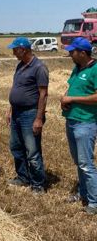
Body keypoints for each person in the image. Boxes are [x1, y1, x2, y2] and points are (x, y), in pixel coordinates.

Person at [6, 37, 48, 195]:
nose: (13, 52)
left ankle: (38, 184)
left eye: (15, 49)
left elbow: (43, 95)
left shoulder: (39, 67)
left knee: (32, 150)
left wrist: (39, 118)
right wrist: (10, 109)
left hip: (30, 114)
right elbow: (16, 88)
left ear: (23, 49)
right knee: (16, 146)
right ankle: (23, 177)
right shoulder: (20, 65)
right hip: (16, 112)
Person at [60, 37, 97, 214]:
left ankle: (94, 202)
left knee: (86, 164)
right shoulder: (77, 68)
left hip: (85, 123)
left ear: (82, 53)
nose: (69, 54)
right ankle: (83, 194)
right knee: (79, 162)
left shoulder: (95, 70)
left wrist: (72, 99)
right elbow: (70, 87)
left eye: (72, 51)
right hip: (72, 120)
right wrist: (64, 97)